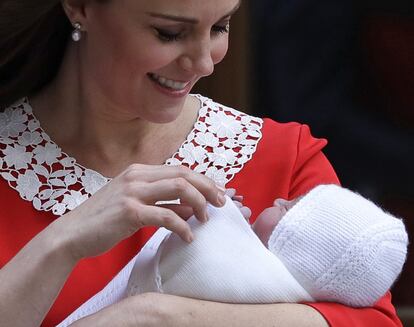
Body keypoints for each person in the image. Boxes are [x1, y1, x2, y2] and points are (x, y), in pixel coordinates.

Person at [0, 1, 404, 327]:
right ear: (80, 8)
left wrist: (159, 317)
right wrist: (60, 242)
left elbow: (375, 322)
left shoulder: (284, 156)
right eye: (170, 33)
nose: (204, 64)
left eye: (220, 27)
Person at [56, 184, 408, 326]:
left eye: (289, 209)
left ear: (298, 247)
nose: (279, 199)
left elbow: (199, 257)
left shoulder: (261, 284)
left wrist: (216, 211)